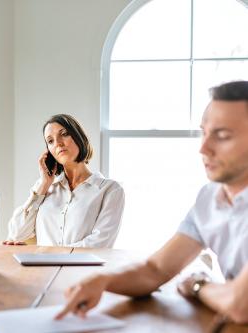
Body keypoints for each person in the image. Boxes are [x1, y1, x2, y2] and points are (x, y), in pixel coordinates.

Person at [55, 81, 248, 324]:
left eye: (222, 136)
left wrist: (198, 285)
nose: (203, 148)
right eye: (204, 132)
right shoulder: (210, 198)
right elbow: (156, 269)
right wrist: (102, 281)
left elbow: (241, 304)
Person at [4, 114, 125, 247]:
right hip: (42, 268)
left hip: (83, 268)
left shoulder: (110, 190)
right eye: (50, 141)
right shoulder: (44, 188)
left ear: (79, 138)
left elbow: (100, 243)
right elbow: (16, 234)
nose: (58, 143)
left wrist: (49, 254)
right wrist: (44, 185)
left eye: (64, 134)